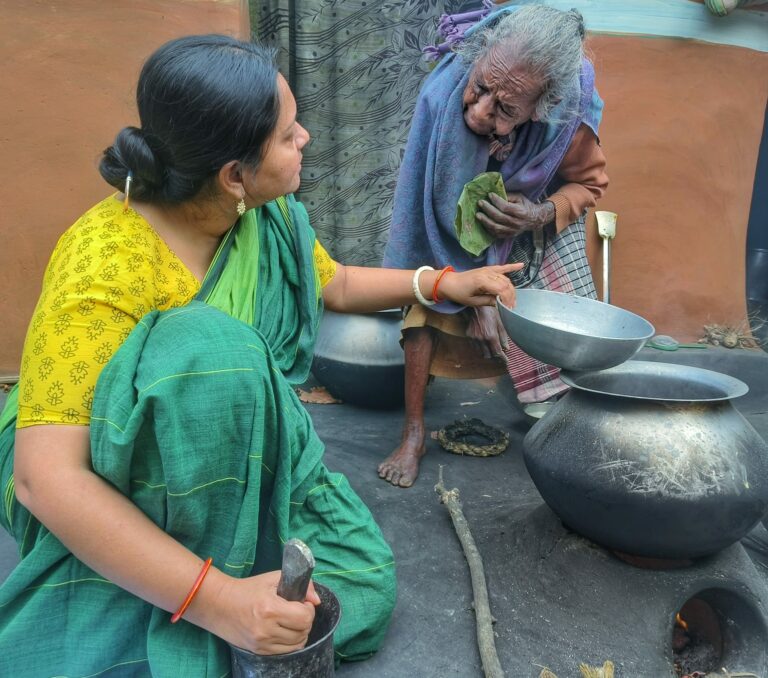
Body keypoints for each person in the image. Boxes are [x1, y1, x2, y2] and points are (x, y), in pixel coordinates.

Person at [0, 35, 521, 676]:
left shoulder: (259, 219)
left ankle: (212, 574)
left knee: (358, 590)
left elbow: (334, 283)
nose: (304, 138)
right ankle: (189, 586)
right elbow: (43, 477)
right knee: (214, 351)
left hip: (242, 446)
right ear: (233, 175)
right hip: (116, 464)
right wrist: (218, 601)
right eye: (286, 133)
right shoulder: (103, 265)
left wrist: (443, 284)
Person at [379, 4, 609, 488]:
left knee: (566, 318)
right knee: (424, 304)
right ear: (478, 60)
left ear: (541, 108)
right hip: (445, 229)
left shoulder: (565, 120)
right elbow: (435, 214)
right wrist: (474, 290)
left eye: (505, 109)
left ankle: (560, 414)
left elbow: (588, 186)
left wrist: (542, 212)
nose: (479, 112)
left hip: (525, 229)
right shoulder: (444, 98)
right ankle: (414, 430)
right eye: (480, 87)